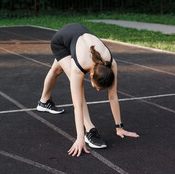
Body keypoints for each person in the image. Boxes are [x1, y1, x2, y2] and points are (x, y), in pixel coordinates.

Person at [36, 23, 139, 157]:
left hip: (74, 36)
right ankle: (89, 130)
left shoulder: (111, 64)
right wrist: (79, 138)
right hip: (60, 42)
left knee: (57, 69)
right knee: (78, 89)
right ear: (90, 75)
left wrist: (119, 128)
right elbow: (77, 105)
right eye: (97, 87)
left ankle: (43, 101)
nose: (97, 90)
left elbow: (113, 96)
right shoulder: (79, 67)